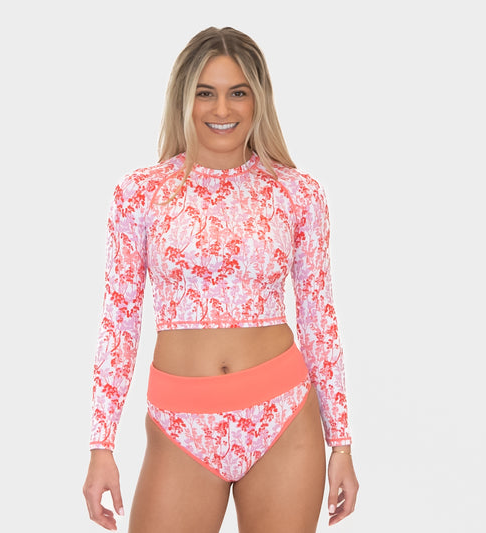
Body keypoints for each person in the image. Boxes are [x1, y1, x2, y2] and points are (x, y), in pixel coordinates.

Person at [83, 26, 359, 533]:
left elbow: (319, 319)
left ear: (258, 100)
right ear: (184, 99)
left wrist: (340, 443)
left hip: (283, 419)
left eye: (238, 93)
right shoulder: (140, 194)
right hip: (180, 425)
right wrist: (102, 443)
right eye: (206, 93)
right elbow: (119, 321)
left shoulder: (298, 194)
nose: (222, 109)